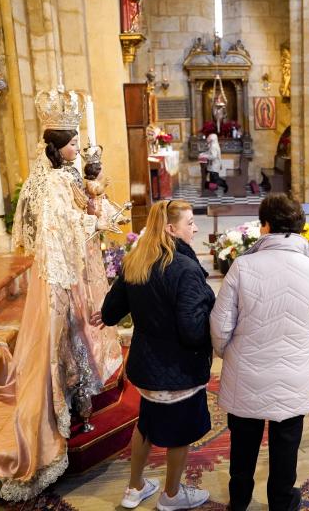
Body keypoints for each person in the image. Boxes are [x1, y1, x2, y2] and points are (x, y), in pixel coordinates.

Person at [0, 96, 122, 500]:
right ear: (57, 145)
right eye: (73, 143)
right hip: (58, 275)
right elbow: (61, 229)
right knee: (60, 342)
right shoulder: (47, 183)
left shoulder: (66, 175)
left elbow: (86, 204)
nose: (77, 148)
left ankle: (80, 398)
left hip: (71, 271)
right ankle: (59, 411)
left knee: (78, 338)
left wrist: (98, 201)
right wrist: (94, 221)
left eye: (77, 142)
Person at [210, 194, 309, 511]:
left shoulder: (242, 266)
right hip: (294, 373)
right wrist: (306, 346)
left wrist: (226, 351)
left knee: (243, 443)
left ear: (265, 225)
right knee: (287, 443)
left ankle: (240, 500)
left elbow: (219, 324)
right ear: (299, 227)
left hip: (247, 371)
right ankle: (282, 501)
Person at [94, 200, 215, 510]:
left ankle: (134, 488)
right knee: (180, 433)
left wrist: (106, 315)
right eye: (190, 222)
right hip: (179, 370)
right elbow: (191, 330)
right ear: (172, 229)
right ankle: (172, 496)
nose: (195, 227)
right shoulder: (186, 269)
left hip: (146, 368)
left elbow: (110, 312)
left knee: (146, 425)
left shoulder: (136, 261)